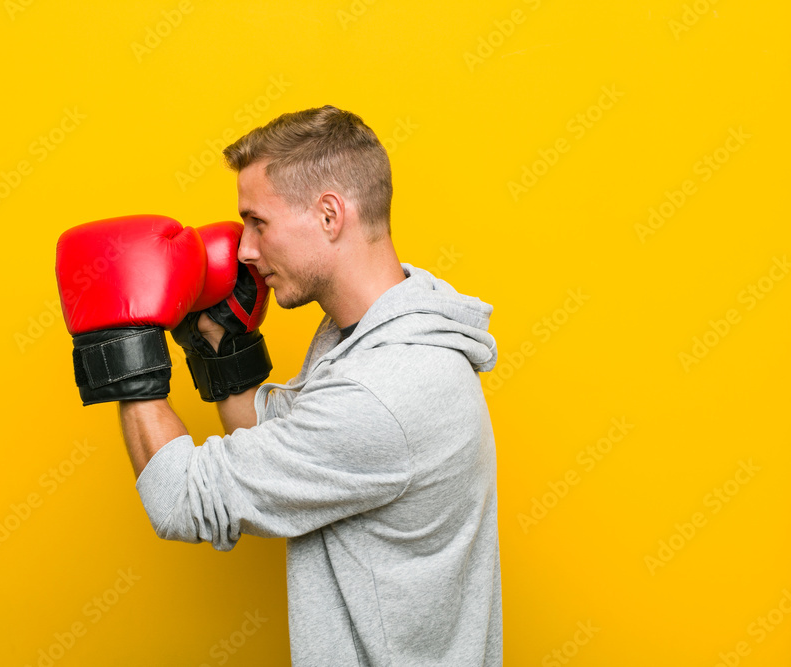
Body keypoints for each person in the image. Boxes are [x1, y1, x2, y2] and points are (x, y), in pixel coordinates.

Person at [55, 105, 502, 666]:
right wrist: (222, 345)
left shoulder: (385, 392)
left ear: (329, 215)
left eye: (257, 222)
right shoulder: (386, 332)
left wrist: (120, 339)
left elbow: (180, 500)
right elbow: (293, 451)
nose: (243, 249)